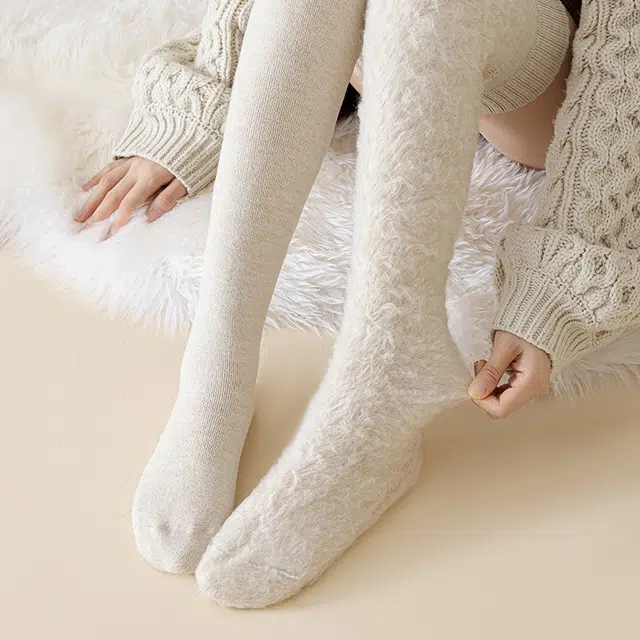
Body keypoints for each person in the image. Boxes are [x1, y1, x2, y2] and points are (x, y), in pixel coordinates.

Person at [76, 0, 640, 608]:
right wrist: (203, 102)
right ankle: (217, 364)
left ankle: (387, 369)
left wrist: (562, 282)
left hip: (546, 76)